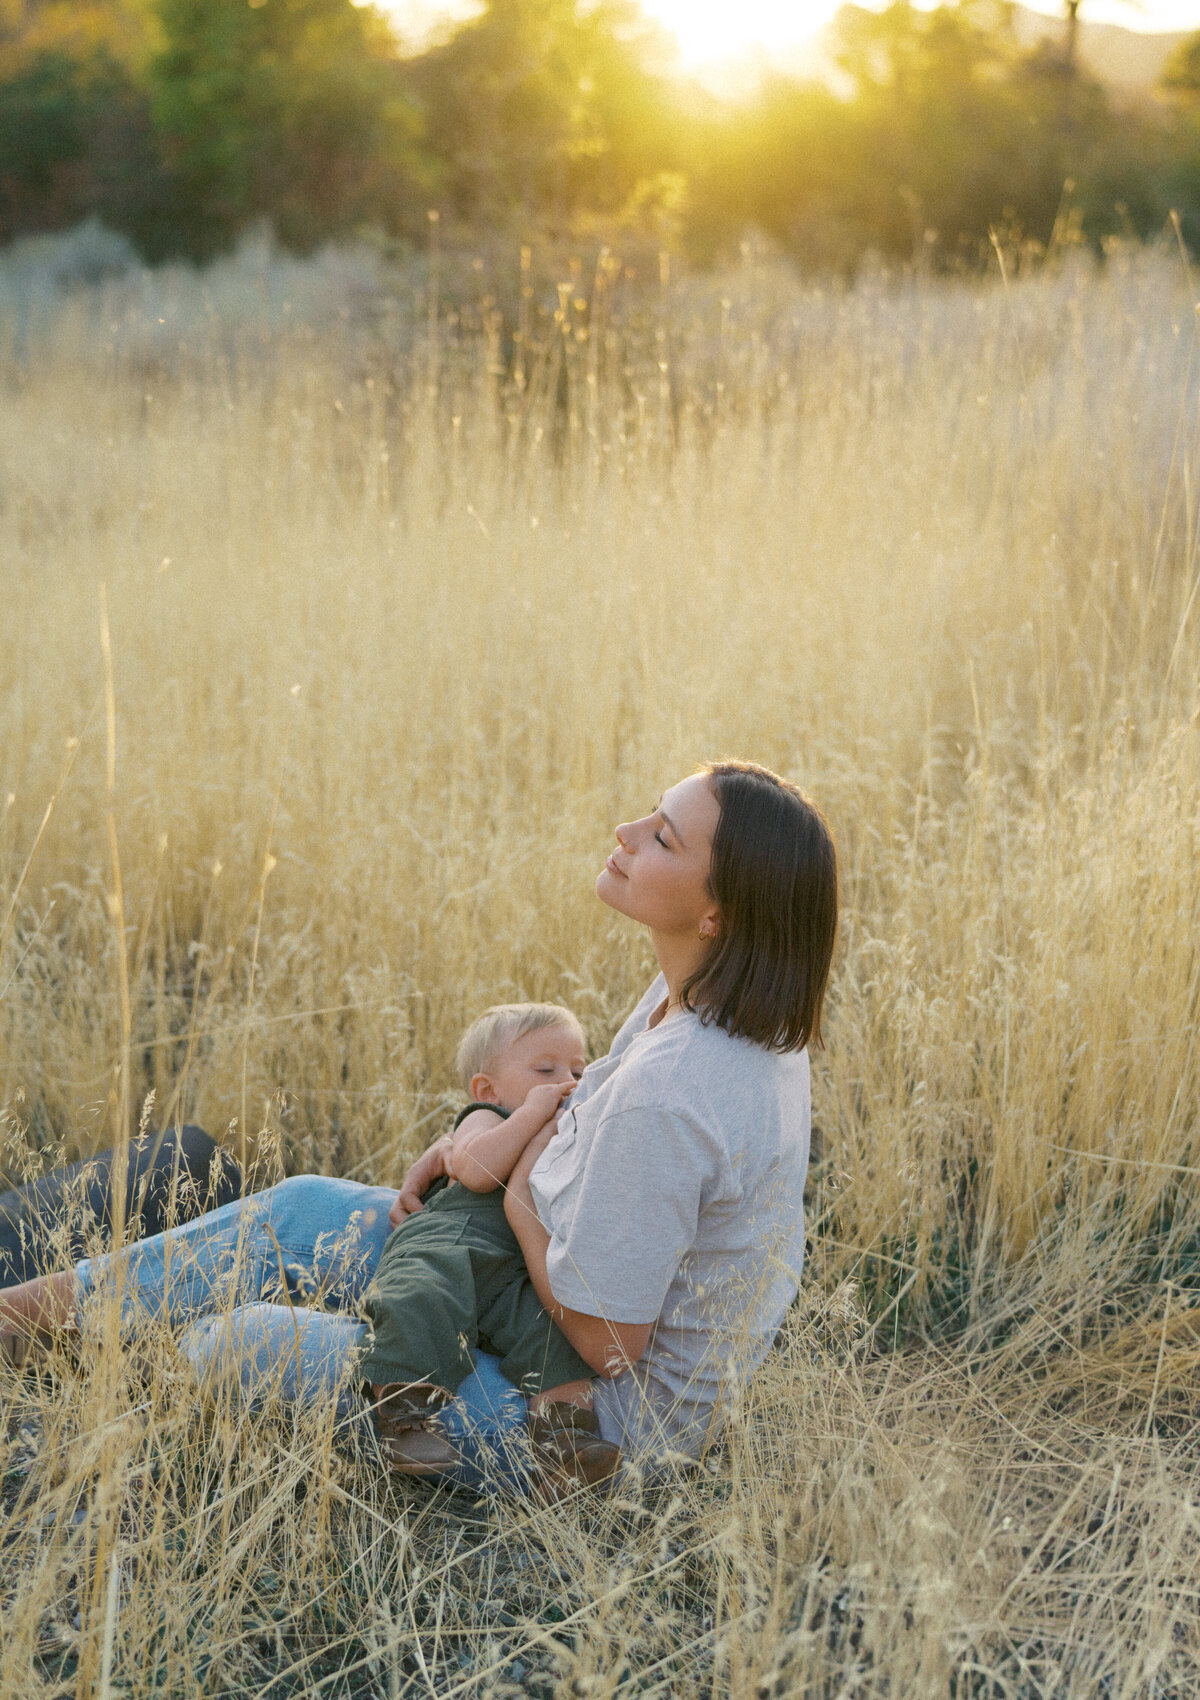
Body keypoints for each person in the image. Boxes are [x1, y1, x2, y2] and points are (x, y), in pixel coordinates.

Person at [0, 760, 837, 1491]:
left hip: (598, 1417)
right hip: (538, 1279)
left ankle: (143, 1366)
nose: (625, 832)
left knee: (238, 1343)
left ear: (719, 913)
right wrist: (470, 1147)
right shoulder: (698, 1001)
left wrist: (510, 1194)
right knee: (300, 1207)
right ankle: (24, 1315)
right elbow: (590, 1142)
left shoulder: (680, 1085)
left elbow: (611, 1340)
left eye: (660, 837)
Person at [361, 1001, 623, 1489]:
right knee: (421, 1299)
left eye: (577, 1069)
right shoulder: (484, 1118)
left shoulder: (569, 1126)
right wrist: (533, 1113)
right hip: (450, 1241)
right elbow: (478, 1173)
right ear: (488, 1088)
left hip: (515, 1267)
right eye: (545, 1069)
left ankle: (566, 1442)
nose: (565, 1080)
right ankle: (405, 1419)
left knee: (549, 1335)